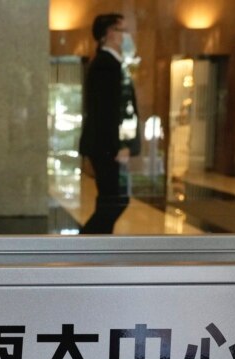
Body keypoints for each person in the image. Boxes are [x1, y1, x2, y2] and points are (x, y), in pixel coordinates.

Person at [78, 13, 141, 234]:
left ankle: (97, 247)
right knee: (115, 200)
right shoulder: (106, 65)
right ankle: (83, 246)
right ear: (110, 34)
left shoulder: (112, 63)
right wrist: (120, 145)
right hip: (106, 147)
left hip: (107, 146)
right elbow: (107, 113)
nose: (127, 36)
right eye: (123, 31)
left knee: (111, 200)